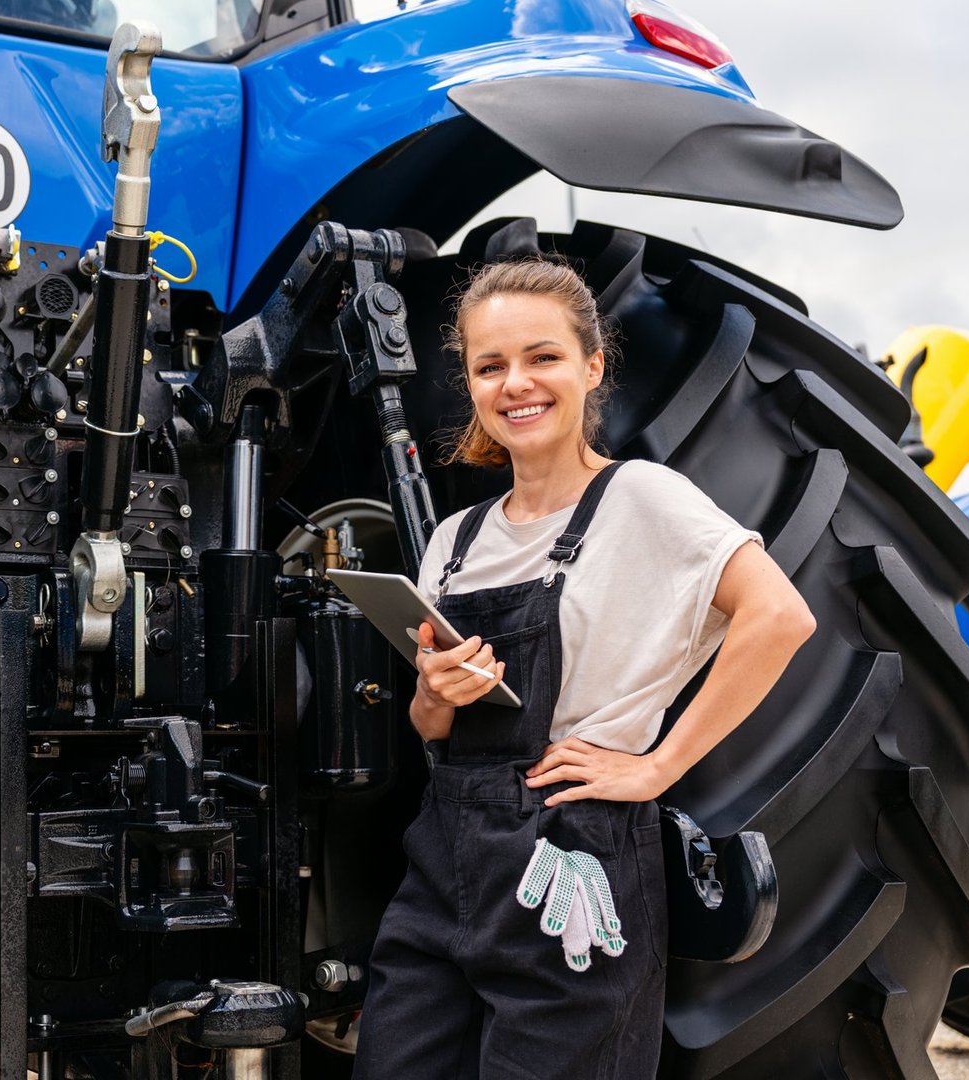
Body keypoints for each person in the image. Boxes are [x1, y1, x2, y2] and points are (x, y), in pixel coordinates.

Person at [353, 258, 815, 1079]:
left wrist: (658, 766)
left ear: (592, 365)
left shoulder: (642, 498)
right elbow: (431, 727)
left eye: (543, 357)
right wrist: (436, 691)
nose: (515, 384)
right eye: (490, 366)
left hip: (572, 852)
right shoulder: (453, 540)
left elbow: (781, 616)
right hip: (446, 853)